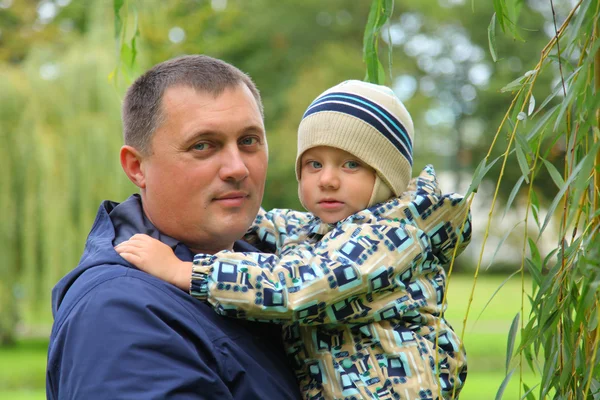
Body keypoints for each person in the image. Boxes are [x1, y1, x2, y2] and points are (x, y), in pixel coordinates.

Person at [116, 80, 472, 399]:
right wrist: (214, 209)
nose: (328, 180)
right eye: (314, 165)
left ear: (387, 176)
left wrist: (186, 271)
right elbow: (277, 225)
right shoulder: (323, 230)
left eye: (350, 165)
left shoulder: (391, 237)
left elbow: (299, 286)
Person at [46, 55, 302, 399]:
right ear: (137, 167)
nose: (237, 168)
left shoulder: (285, 268)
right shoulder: (120, 313)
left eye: (249, 141)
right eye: (203, 145)